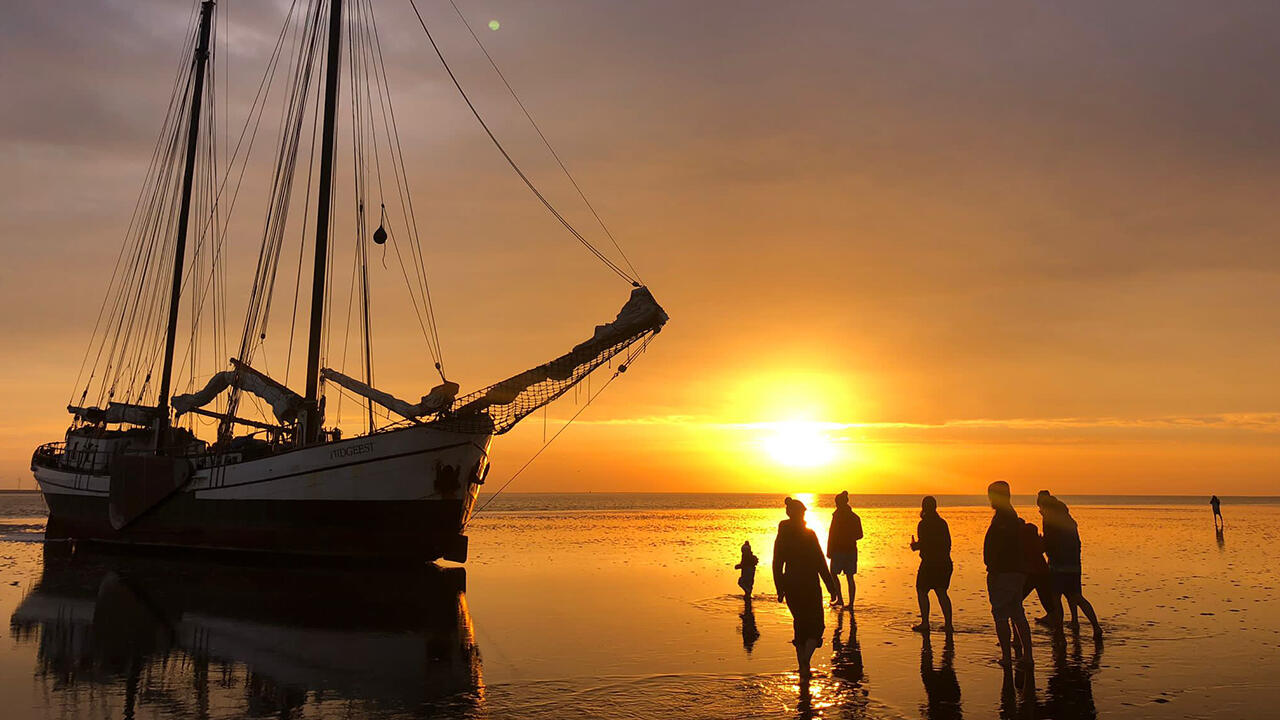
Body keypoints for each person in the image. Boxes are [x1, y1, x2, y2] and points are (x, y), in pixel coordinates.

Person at [774, 496, 842, 679]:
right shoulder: (809, 534)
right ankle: (805, 660)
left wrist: (779, 587)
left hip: (790, 584)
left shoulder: (782, 534)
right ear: (800, 514)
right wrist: (831, 587)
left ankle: (803, 667)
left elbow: (776, 563)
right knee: (817, 626)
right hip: (810, 584)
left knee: (799, 625)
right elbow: (820, 562)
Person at [1038, 491, 1103, 638]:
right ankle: (1096, 627)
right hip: (1074, 565)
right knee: (1076, 597)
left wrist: (1040, 543)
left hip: (1057, 566)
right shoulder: (1068, 520)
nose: (1040, 511)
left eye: (1040, 508)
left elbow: (1049, 543)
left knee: (1055, 598)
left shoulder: (1049, 520)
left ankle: (1059, 632)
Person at [984, 480, 1033, 668]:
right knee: (1017, 613)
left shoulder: (1004, 517)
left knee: (1001, 615)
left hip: (1004, 572)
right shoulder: (1009, 515)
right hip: (1014, 571)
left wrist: (994, 569)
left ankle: (1007, 656)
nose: (989, 499)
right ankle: (1027, 656)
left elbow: (1001, 547)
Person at [910, 496, 954, 633]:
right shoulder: (942, 523)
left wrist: (914, 545)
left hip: (930, 563)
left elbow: (924, 544)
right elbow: (948, 544)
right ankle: (948, 624)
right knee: (942, 592)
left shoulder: (923, 524)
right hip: (945, 562)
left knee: (922, 591)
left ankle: (925, 623)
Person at [1021, 520, 1063, 630]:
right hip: (1042, 573)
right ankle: (1057, 628)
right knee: (1047, 602)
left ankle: (1018, 636)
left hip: (1033, 574)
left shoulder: (1026, 541)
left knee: (1016, 601)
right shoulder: (1035, 541)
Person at [827, 490, 863, 609]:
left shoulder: (838, 516)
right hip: (850, 550)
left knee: (835, 574)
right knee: (849, 576)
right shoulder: (854, 517)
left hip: (840, 550)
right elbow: (860, 535)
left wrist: (830, 550)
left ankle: (842, 600)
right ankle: (847, 602)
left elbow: (832, 534)